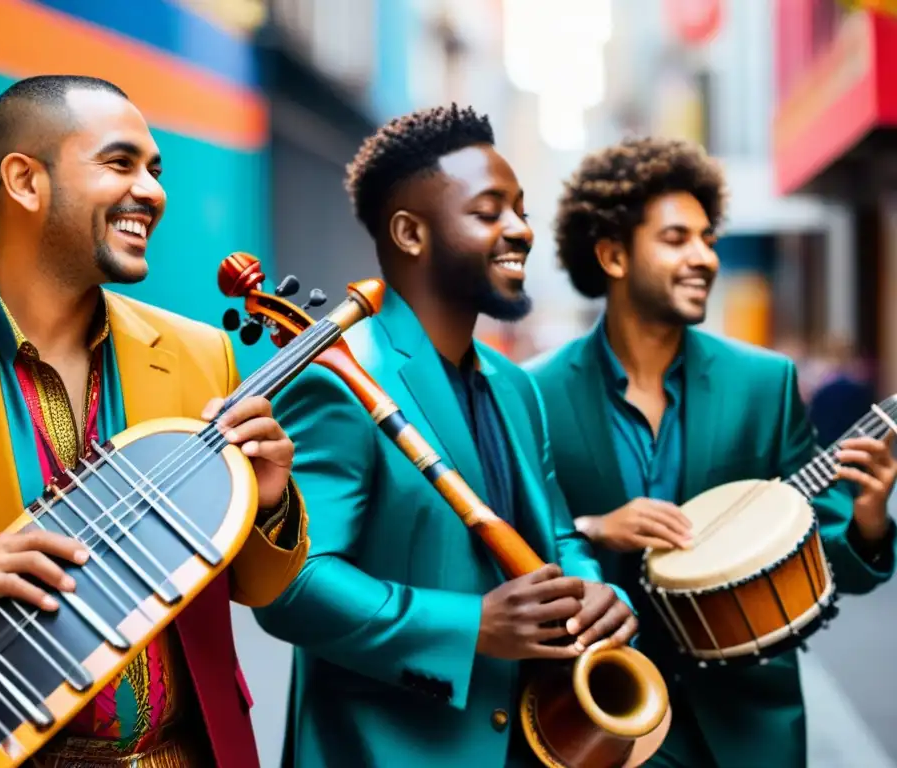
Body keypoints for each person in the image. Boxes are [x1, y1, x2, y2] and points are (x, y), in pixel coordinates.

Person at [0, 75, 309, 768]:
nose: (154, 192)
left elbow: (256, 586)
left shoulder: (203, 355)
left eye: (156, 170)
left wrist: (270, 503)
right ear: (24, 180)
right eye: (120, 162)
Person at [252, 104, 637, 768]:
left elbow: (559, 536)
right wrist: (469, 628)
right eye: (490, 212)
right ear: (410, 233)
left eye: (521, 210)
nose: (520, 230)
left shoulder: (517, 387)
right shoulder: (338, 378)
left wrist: (599, 592)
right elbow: (289, 584)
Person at [525, 136, 897, 768]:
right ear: (613, 254)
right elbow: (502, 544)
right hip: (594, 718)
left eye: (707, 238)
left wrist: (866, 520)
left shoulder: (764, 383)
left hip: (745, 726)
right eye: (676, 239)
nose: (704, 257)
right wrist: (592, 529)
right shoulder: (531, 392)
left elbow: (822, 559)